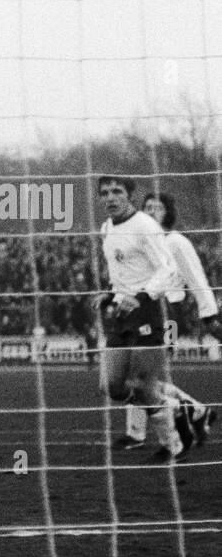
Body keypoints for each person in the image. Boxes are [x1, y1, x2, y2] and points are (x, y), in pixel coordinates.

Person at [95, 176, 206, 461]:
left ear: (129, 195)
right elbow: (120, 273)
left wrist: (141, 296)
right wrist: (110, 294)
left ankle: (173, 445)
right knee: (112, 387)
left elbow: (168, 269)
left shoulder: (145, 226)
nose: (111, 197)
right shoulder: (107, 227)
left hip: (149, 311)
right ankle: (177, 408)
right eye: (105, 192)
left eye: (117, 191)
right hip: (122, 313)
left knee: (144, 385)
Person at [117, 192, 218, 448]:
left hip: (167, 312)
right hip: (141, 312)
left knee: (143, 374)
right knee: (134, 373)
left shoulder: (175, 242)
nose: (151, 211)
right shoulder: (140, 241)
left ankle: (164, 427)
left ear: (168, 213)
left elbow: (197, 278)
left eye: (157, 208)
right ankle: (194, 411)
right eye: (147, 207)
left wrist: (209, 314)